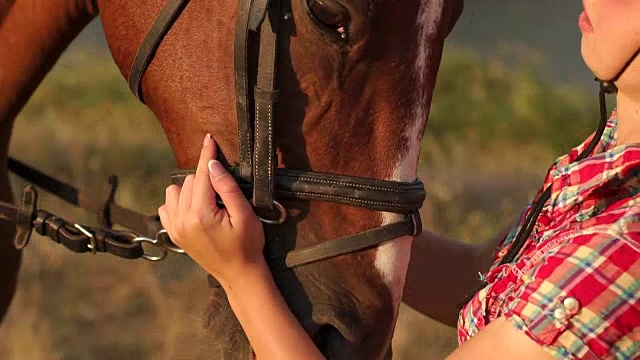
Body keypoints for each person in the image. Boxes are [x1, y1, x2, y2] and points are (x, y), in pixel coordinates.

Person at [157, 2, 640, 359]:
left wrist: (243, 276)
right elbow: (475, 278)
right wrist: (327, 220)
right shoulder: (612, 156)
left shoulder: (625, 253)